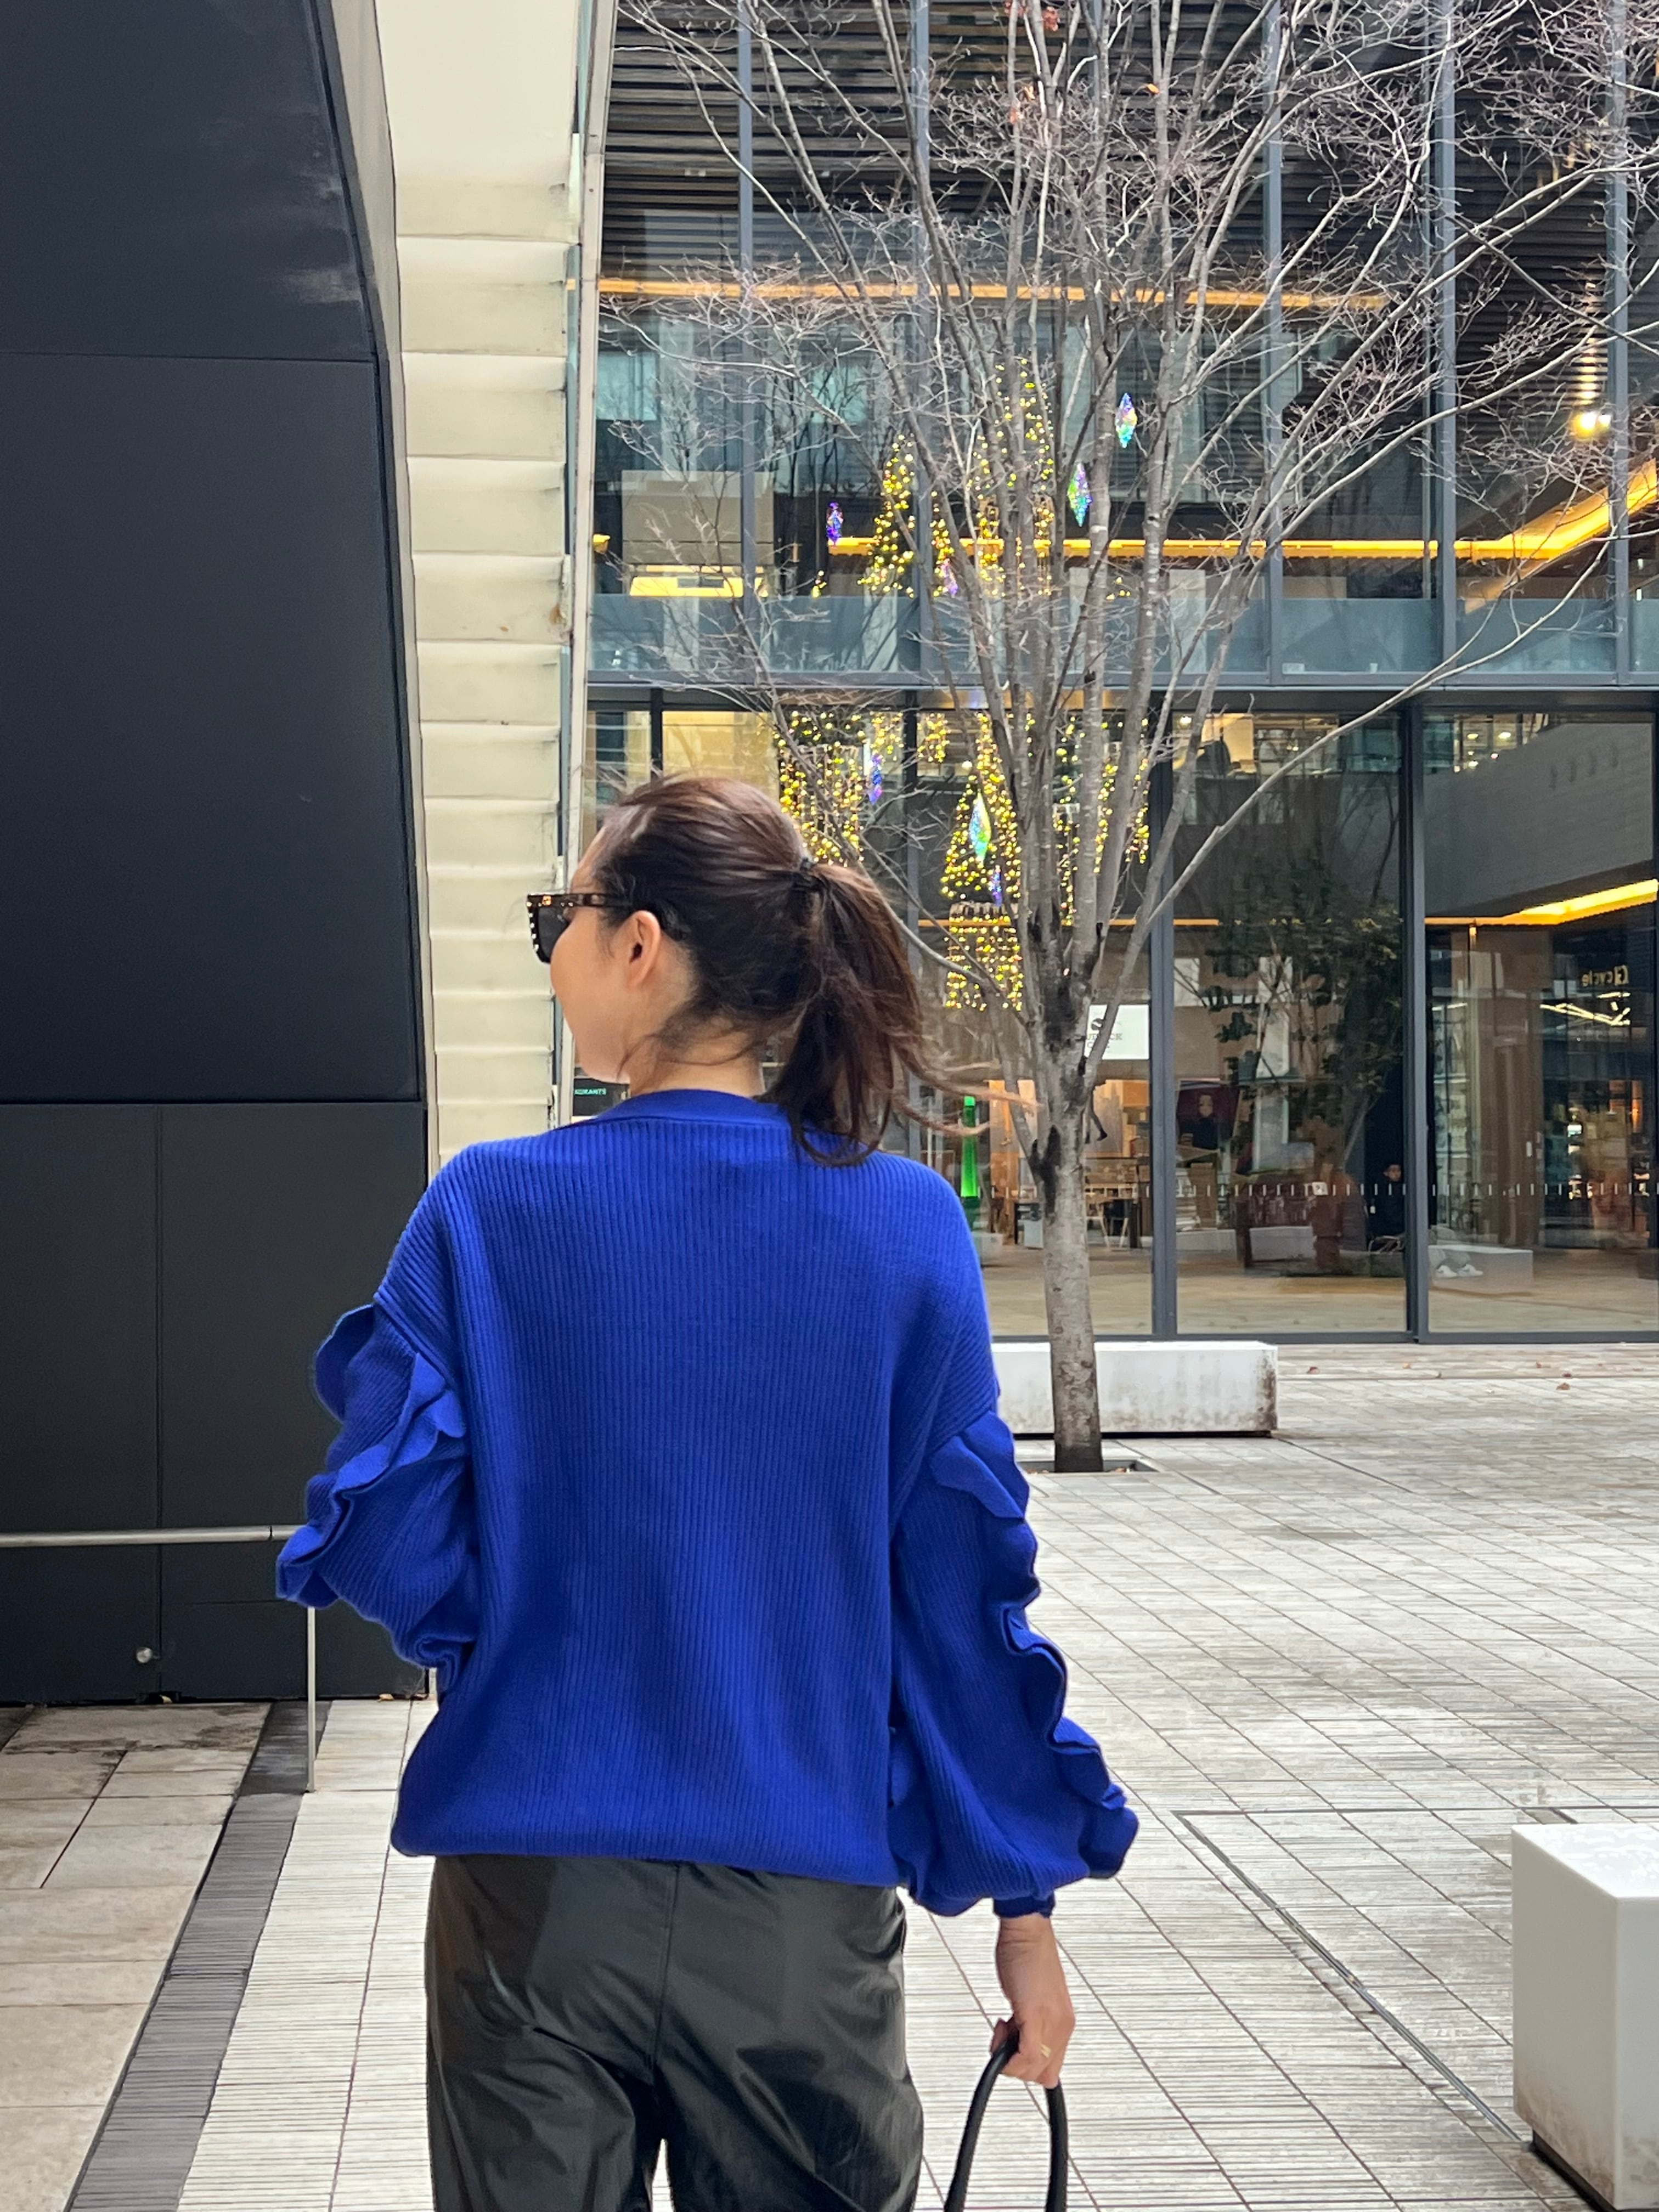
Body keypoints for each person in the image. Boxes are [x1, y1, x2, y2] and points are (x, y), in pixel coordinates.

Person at [278, 775, 1138, 2212]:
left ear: (639, 946)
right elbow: (958, 1599)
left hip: (534, 1898)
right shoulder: (904, 1226)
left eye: (557, 915)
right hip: (797, 1911)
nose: (549, 947)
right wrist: (1025, 1911)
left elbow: (389, 1532)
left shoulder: (488, 1208)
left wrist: (535, 1617)